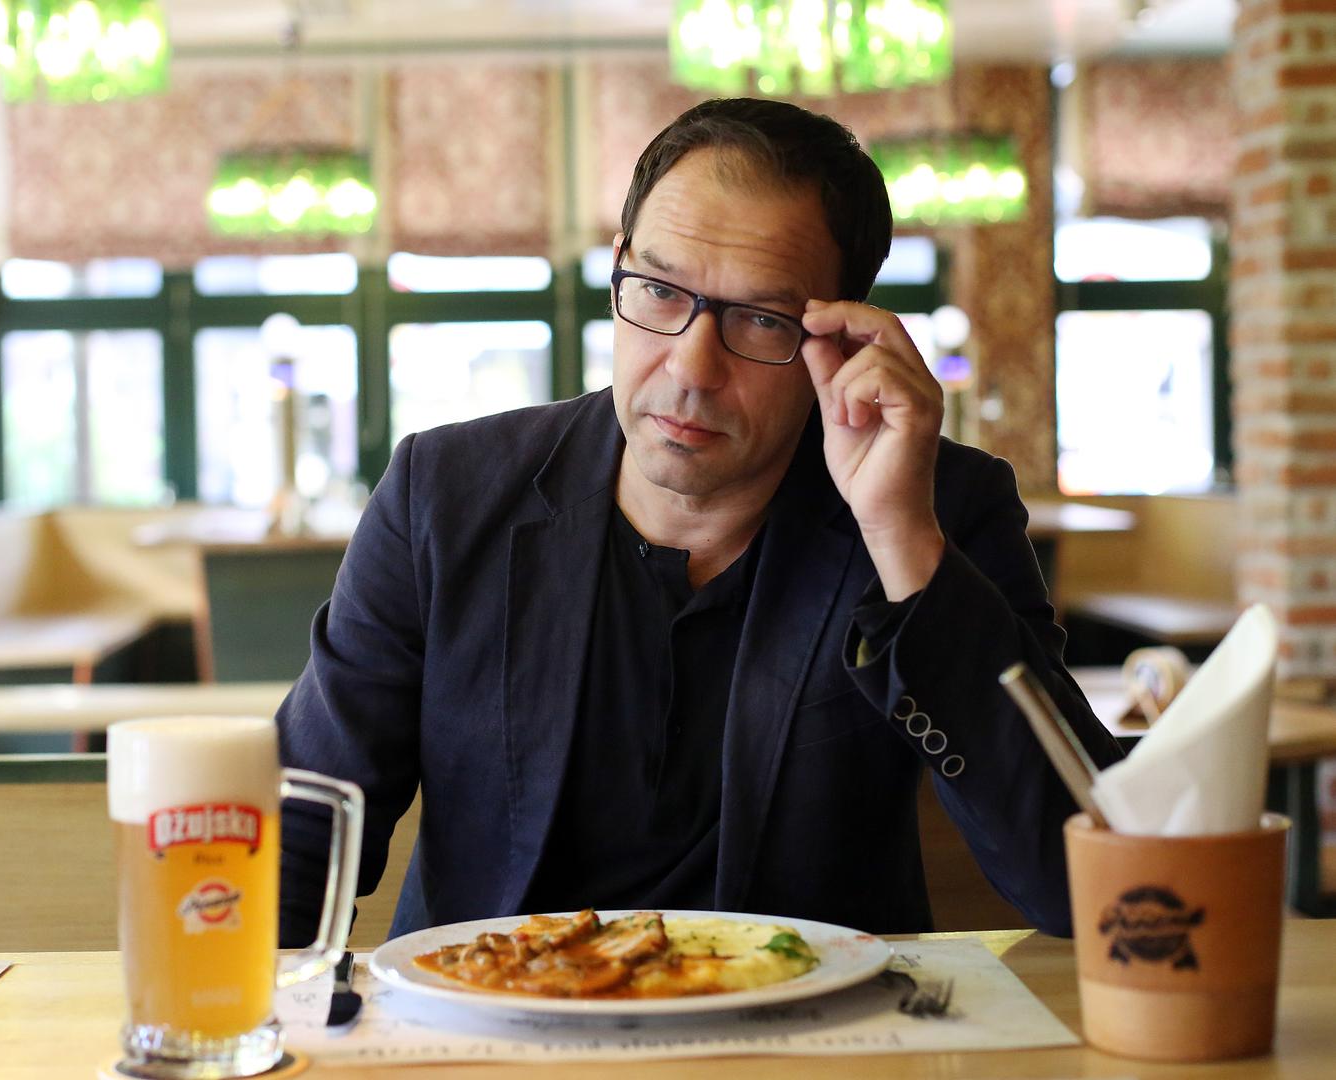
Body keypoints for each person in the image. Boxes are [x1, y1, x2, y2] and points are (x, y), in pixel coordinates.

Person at [276, 97, 1122, 946]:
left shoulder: (931, 506)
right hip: (491, 1008)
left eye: (760, 317)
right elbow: (296, 839)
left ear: (842, 335)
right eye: (658, 289)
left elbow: (1082, 884)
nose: (690, 365)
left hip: (812, 1019)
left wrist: (901, 538)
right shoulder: (445, 496)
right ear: (618, 267)